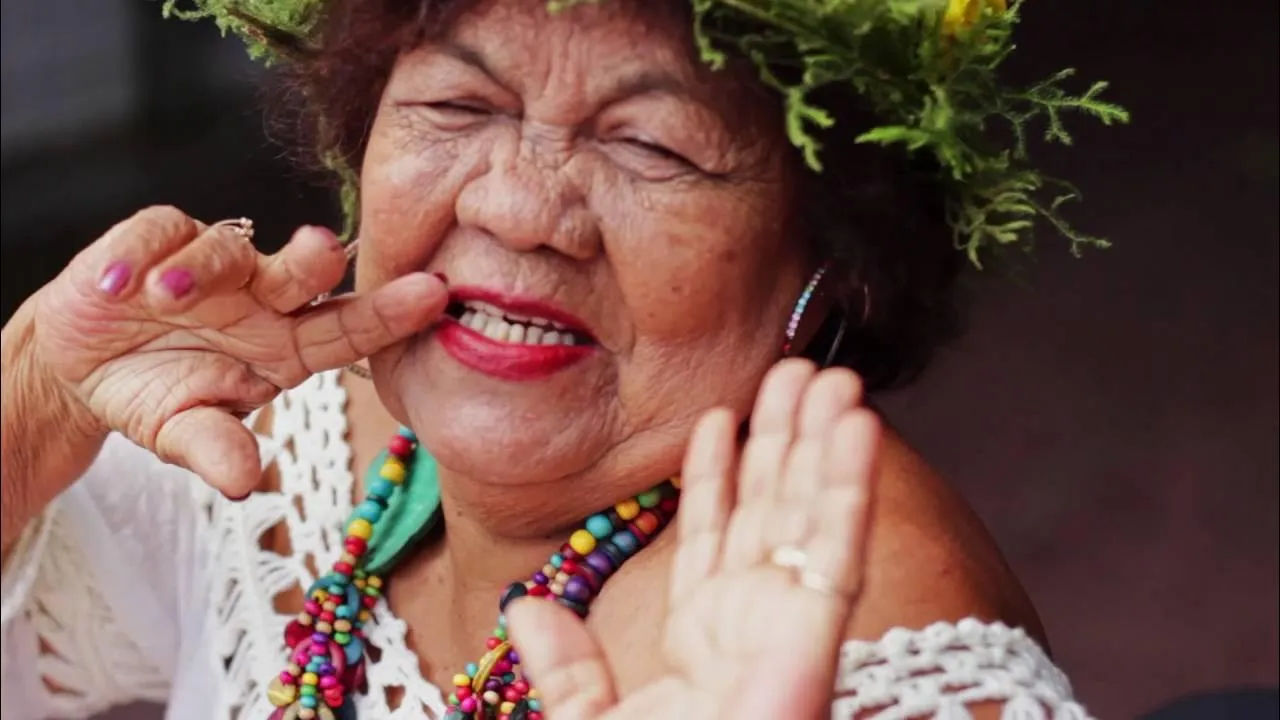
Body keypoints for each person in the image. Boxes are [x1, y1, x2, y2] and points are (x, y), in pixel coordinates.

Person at [0, 1, 1127, 718]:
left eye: (650, 143)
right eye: (456, 102)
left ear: (837, 258)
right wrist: (33, 417)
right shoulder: (292, 441)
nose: (520, 206)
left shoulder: (855, 637)